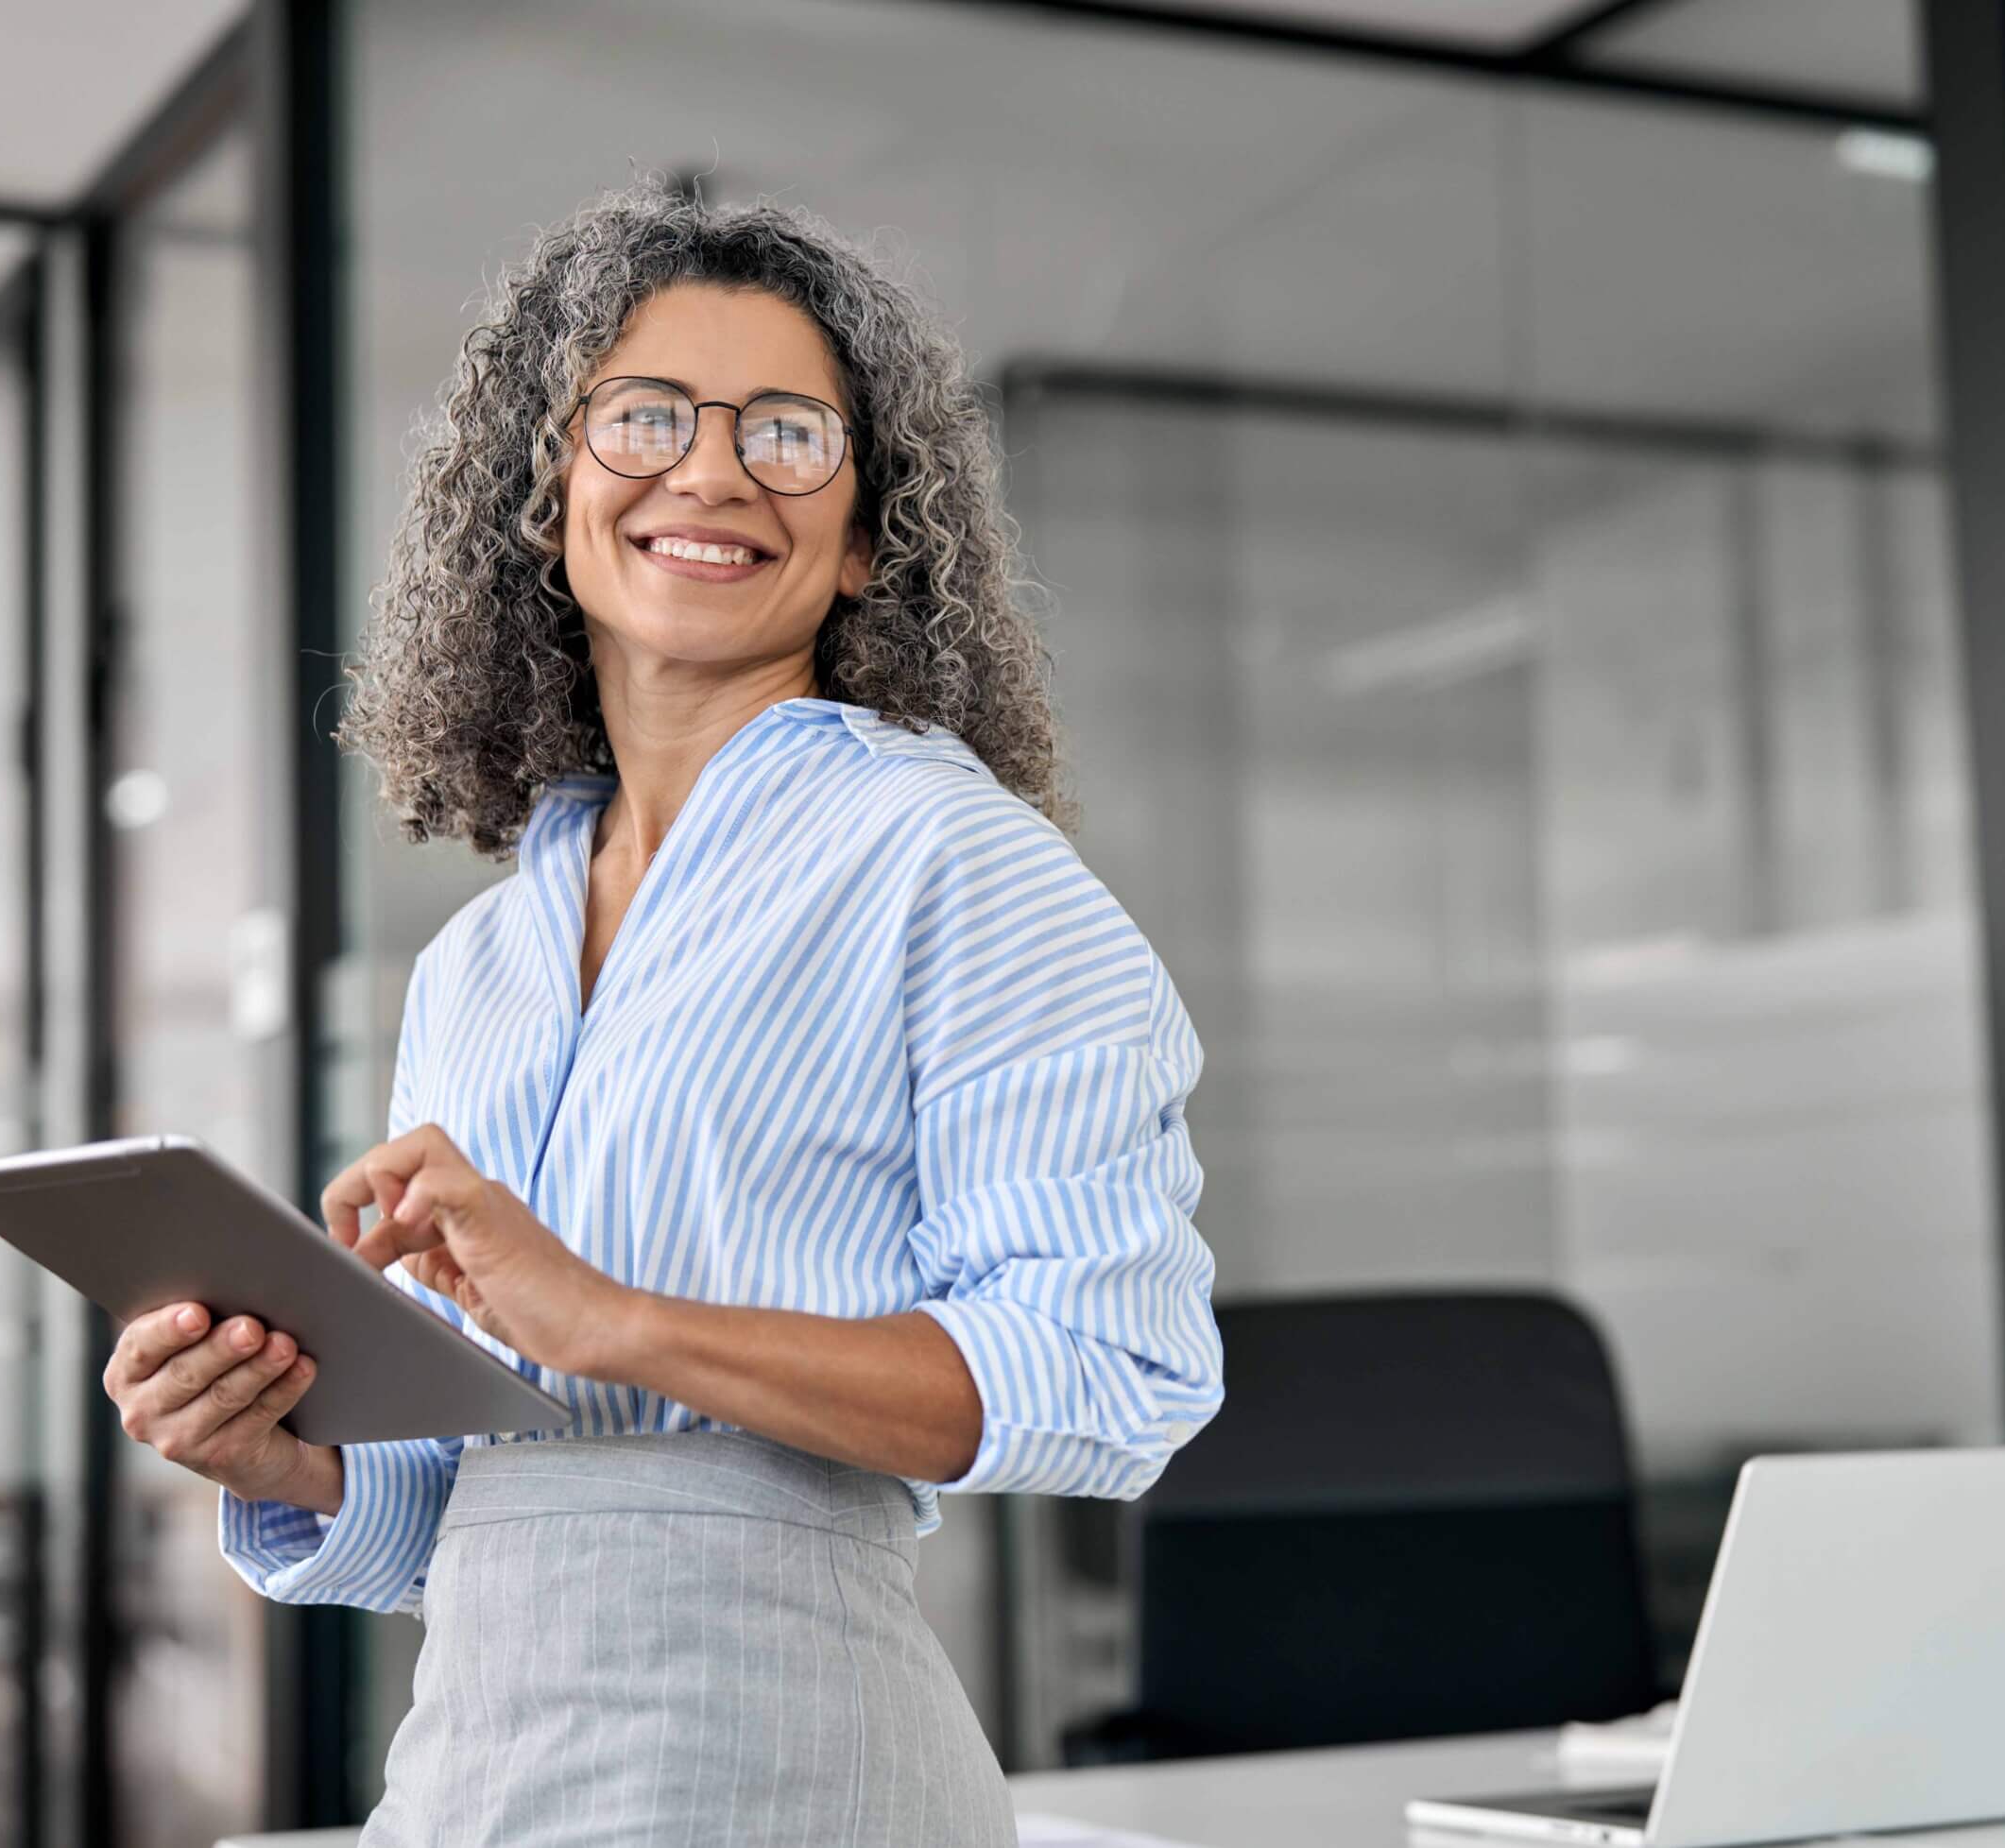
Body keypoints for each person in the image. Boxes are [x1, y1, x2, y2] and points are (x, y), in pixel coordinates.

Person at [98, 180, 1223, 1846]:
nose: (709, 471)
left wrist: (618, 1319)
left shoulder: (950, 858)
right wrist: (284, 1456)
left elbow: (1114, 1370)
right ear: (546, 495)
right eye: (644, 417)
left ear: (865, 541)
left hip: (791, 1766)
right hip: (478, 1774)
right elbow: (476, 1502)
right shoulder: (481, 959)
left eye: (787, 433)